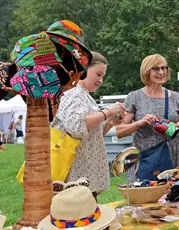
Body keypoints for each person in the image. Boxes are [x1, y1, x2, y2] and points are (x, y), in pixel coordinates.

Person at [51, 52, 125, 198]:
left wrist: (109, 123)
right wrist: (107, 112)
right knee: (78, 216)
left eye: (102, 76)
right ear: (84, 69)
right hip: (75, 178)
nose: (101, 80)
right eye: (98, 74)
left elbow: (90, 134)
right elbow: (76, 127)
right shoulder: (72, 93)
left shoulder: (84, 95)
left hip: (85, 175)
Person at [117, 54, 179, 168]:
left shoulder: (176, 97)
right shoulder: (134, 97)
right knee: (145, 186)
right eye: (156, 68)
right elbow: (120, 132)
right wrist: (140, 122)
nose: (161, 72)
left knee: (172, 186)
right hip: (145, 156)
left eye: (164, 68)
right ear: (146, 71)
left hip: (172, 156)